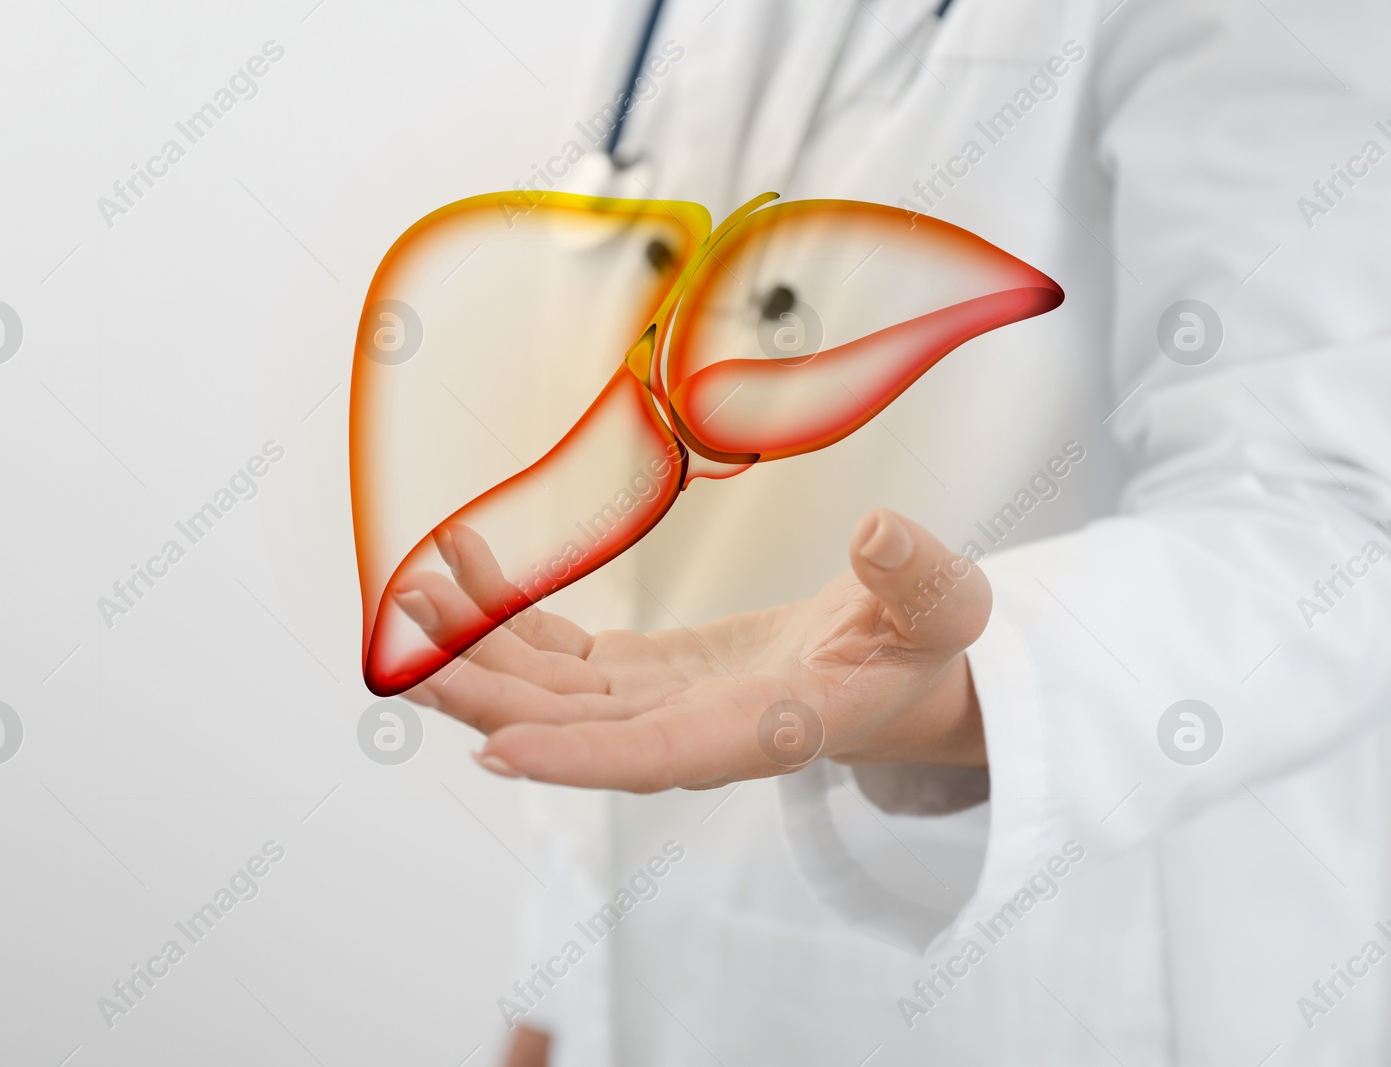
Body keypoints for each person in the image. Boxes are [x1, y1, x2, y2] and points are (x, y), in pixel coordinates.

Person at [401, 0, 1391, 1062]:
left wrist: (983, 679)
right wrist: (561, 990)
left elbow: (1330, 507)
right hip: (664, 988)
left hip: (1070, 999)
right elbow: (643, 562)